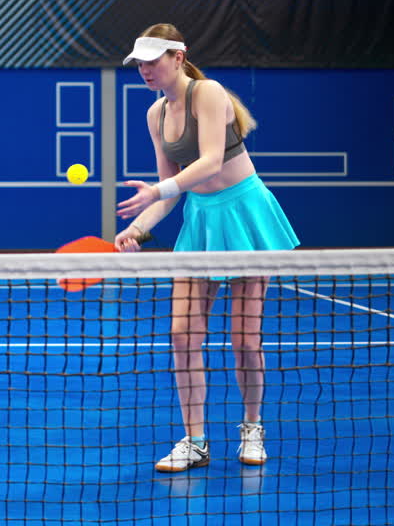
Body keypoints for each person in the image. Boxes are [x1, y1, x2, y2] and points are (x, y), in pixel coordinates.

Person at [114, 23, 299, 474]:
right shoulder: (155, 115)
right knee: (182, 334)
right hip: (200, 222)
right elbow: (173, 190)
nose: (145, 69)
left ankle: (252, 428)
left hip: (245, 215)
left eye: (153, 60)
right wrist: (137, 229)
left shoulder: (209, 93)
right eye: (140, 62)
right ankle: (195, 440)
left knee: (244, 342)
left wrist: (156, 193)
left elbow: (211, 161)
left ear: (179, 57)